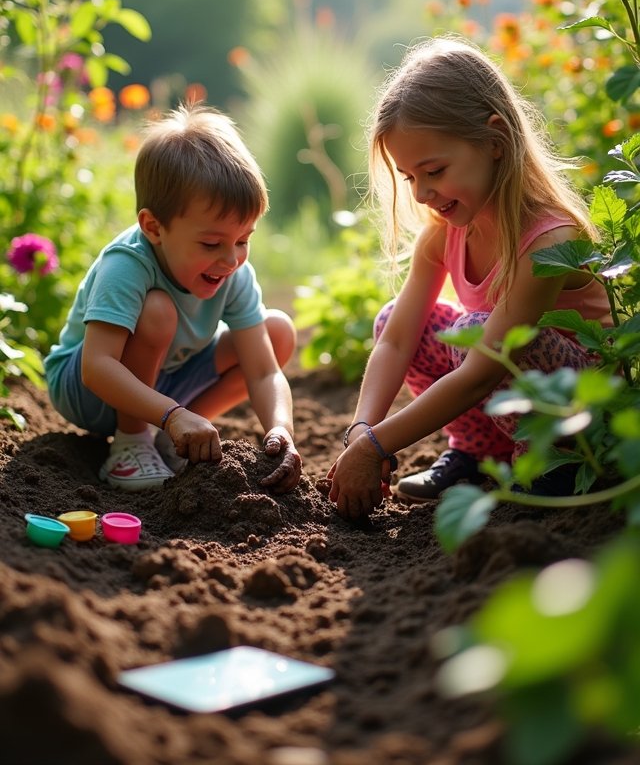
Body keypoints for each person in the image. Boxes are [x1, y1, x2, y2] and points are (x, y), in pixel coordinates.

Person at [328, 37, 611, 519]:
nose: (420, 193)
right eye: (409, 176)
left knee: (474, 335)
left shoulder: (548, 239)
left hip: (581, 410)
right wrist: (361, 431)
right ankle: (479, 453)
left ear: (495, 143)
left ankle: (554, 466)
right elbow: (396, 342)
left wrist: (377, 447)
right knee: (395, 318)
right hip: (505, 386)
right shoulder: (445, 235)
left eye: (433, 170)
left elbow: (481, 372)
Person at [45, 105, 301, 493]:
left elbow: (264, 370)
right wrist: (170, 412)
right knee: (157, 311)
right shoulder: (127, 264)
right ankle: (131, 444)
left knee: (277, 330)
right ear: (154, 227)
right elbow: (97, 367)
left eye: (244, 240)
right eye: (212, 243)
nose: (231, 259)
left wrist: (281, 428)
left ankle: (172, 437)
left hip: (164, 385)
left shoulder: (233, 272)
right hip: (89, 390)